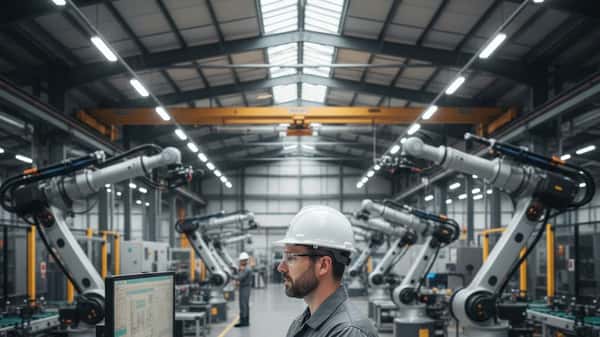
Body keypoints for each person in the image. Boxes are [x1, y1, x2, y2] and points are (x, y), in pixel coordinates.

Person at [276, 205, 378, 337]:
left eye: (291, 258)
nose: (281, 267)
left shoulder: (348, 332)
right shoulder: (301, 323)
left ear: (323, 265)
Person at [233, 251, 253, 328]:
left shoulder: (246, 269)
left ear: (244, 260)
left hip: (245, 288)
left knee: (243, 305)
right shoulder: (246, 268)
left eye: (241, 260)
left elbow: (239, 277)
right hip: (244, 287)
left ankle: (243, 322)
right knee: (244, 305)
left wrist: (232, 275)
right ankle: (245, 320)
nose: (240, 262)